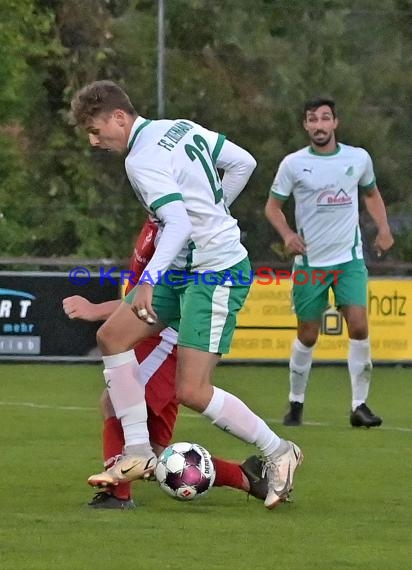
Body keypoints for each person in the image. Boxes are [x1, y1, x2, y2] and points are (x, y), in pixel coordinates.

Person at [69, 80, 303, 510]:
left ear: (119, 117)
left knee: (193, 390)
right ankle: (138, 451)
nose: (94, 139)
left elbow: (175, 223)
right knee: (111, 337)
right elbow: (243, 163)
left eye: (96, 128)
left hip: (215, 271)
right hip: (184, 270)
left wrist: (148, 278)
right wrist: (214, 210)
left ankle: (279, 451)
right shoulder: (178, 128)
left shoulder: (140, 159)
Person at [63, 219, 269, 509]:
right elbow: (138, 298)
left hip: (167, 338)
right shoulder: (155, 224)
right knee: (157, 452)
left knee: (114, 401)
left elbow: (164, 297)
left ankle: (117, 494)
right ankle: (246, 476)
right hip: (155, 335)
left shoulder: (177, 227)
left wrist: (97, 310)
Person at [264, 96, 394, 428]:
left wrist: (383, 228)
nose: (319, 125)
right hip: (310, 263)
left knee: (360, 325)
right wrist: (288, 235)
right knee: (308, 334)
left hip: (348, 259)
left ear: (335, 122)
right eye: (313, 119)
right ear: (306, 125)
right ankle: (295, 403)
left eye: (325, 118)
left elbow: (370, 193)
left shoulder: (358, 158)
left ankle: (359, 406)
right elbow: (273, 207)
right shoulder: (293, 164)